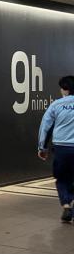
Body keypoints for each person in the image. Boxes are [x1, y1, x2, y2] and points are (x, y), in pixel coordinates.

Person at [38, 76, 74, 222]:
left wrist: (42, 147)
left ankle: (66, 205)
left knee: (61, 178)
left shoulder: (56, 105)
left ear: (65, 89)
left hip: (61, 148)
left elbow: (45, 127)